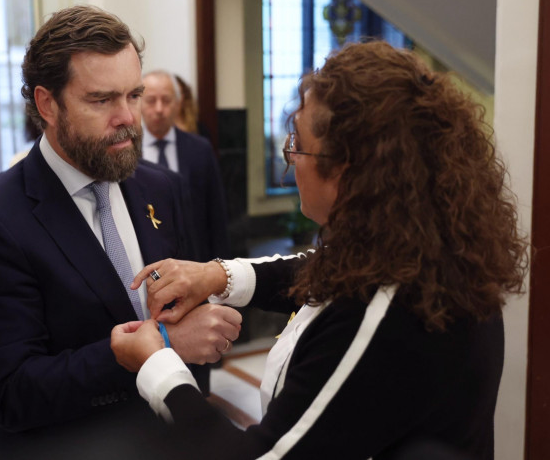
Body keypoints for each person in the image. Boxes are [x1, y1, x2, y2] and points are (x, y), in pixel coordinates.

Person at [111, 41, 528, 460]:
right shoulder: (421, 246)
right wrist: (218, 277)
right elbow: (321, 268)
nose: (290, 156)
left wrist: (159, 365)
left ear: (346, 169)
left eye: (298, 142)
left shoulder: (380, 312)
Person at [0, 5, 241, 460]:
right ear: (48, 104)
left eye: (133, 95)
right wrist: (155, 348)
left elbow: (187, 314)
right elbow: (11, 393)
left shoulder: (160, 187)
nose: (127, 117)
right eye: (102, 100)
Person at [141, 70, 229, 261]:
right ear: (138, 102)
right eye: (150, 100)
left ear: (178, 104)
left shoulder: (199, 149)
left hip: (194, 258)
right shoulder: (126, 152)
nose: (159, 109)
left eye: (166, 100)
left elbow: (216, 215)